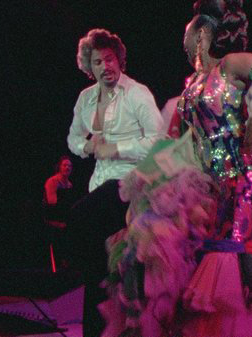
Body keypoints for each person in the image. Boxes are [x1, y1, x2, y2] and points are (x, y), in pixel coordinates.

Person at [100, 0, 252, 336]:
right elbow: (175, 141)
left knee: (229, 247)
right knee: (207, 250)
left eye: (187, 32)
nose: (183, 41)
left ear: (201, 33)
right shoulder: (191, 85)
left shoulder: (229, 65)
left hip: (245, 166)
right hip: (210, 176)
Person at [65, 28, 164, 336]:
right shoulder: (86, 98)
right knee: (101, 271)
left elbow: (158, 140)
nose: (105, 66)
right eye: (97, 62)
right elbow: (73, 138)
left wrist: (117, 148)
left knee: (79, 218)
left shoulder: (137, 93)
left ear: (119, 60)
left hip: (130, 184)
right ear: (89, 66)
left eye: (109, 59)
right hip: (100, 186)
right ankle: (98, 328)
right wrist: (88, 146)